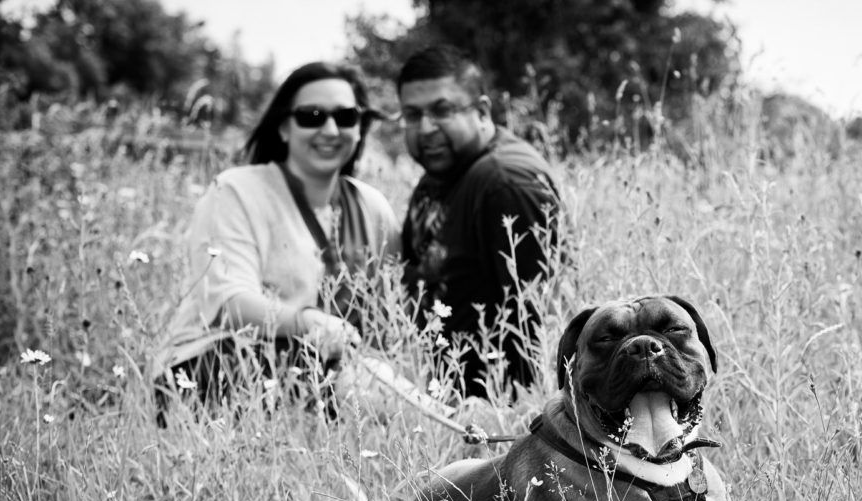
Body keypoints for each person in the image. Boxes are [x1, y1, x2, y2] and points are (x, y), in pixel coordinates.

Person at [153, 62, 400, 424]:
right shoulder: (236, 190)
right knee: (346, 389)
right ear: (284, 126)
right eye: (311, 116)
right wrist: (309, 323)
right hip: (217, 367)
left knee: (378, 396)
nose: (330, 129)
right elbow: (229, 303)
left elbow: (390, 316)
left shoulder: (373, 208)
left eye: (346, 117)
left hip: (331, 374)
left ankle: (473, 433)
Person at [396, 44, 562, 402]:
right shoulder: (440, 174)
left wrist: (510, 417)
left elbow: (541, 318)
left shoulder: (504, 183)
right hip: (441, 402)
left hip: (491, 416)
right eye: (412, 115)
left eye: (442, 110)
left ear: (483, 111)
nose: (425, 129)